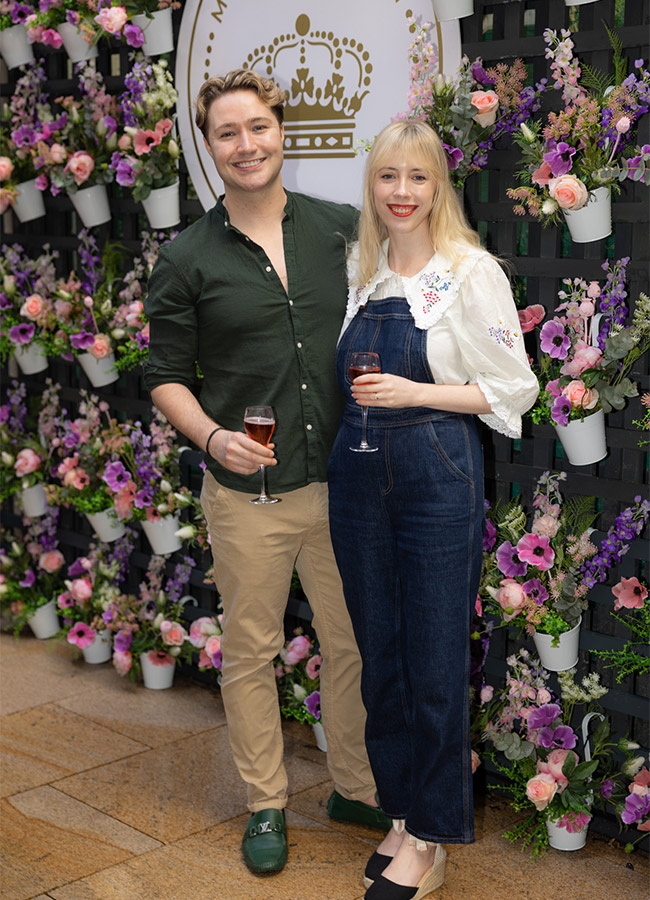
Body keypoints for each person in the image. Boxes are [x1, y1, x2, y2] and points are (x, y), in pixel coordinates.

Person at [142, 68, 390, 877]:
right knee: (251, 651)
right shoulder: (186, 258)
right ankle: (265, 804)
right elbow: (164, 376)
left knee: (353, 644)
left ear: (282, 132)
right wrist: (214, 439)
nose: (245, 145)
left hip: (344, 486)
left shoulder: (341, 230)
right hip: (247, 496)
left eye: (258, 127)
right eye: (227, 133)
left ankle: (355, 788)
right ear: (208, 148)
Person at [327, 120, 539, 900]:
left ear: (439, 186)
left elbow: (514, 388)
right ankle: (399, 812)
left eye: (418, 176)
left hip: (436, 471)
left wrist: (416, 391)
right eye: (389, 176)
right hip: (357, 473)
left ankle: (429, 837)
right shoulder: (363, 270)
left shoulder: (470, 271)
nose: (402, 191)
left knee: (436, 660)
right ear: (372, 186)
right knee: (379, 653)